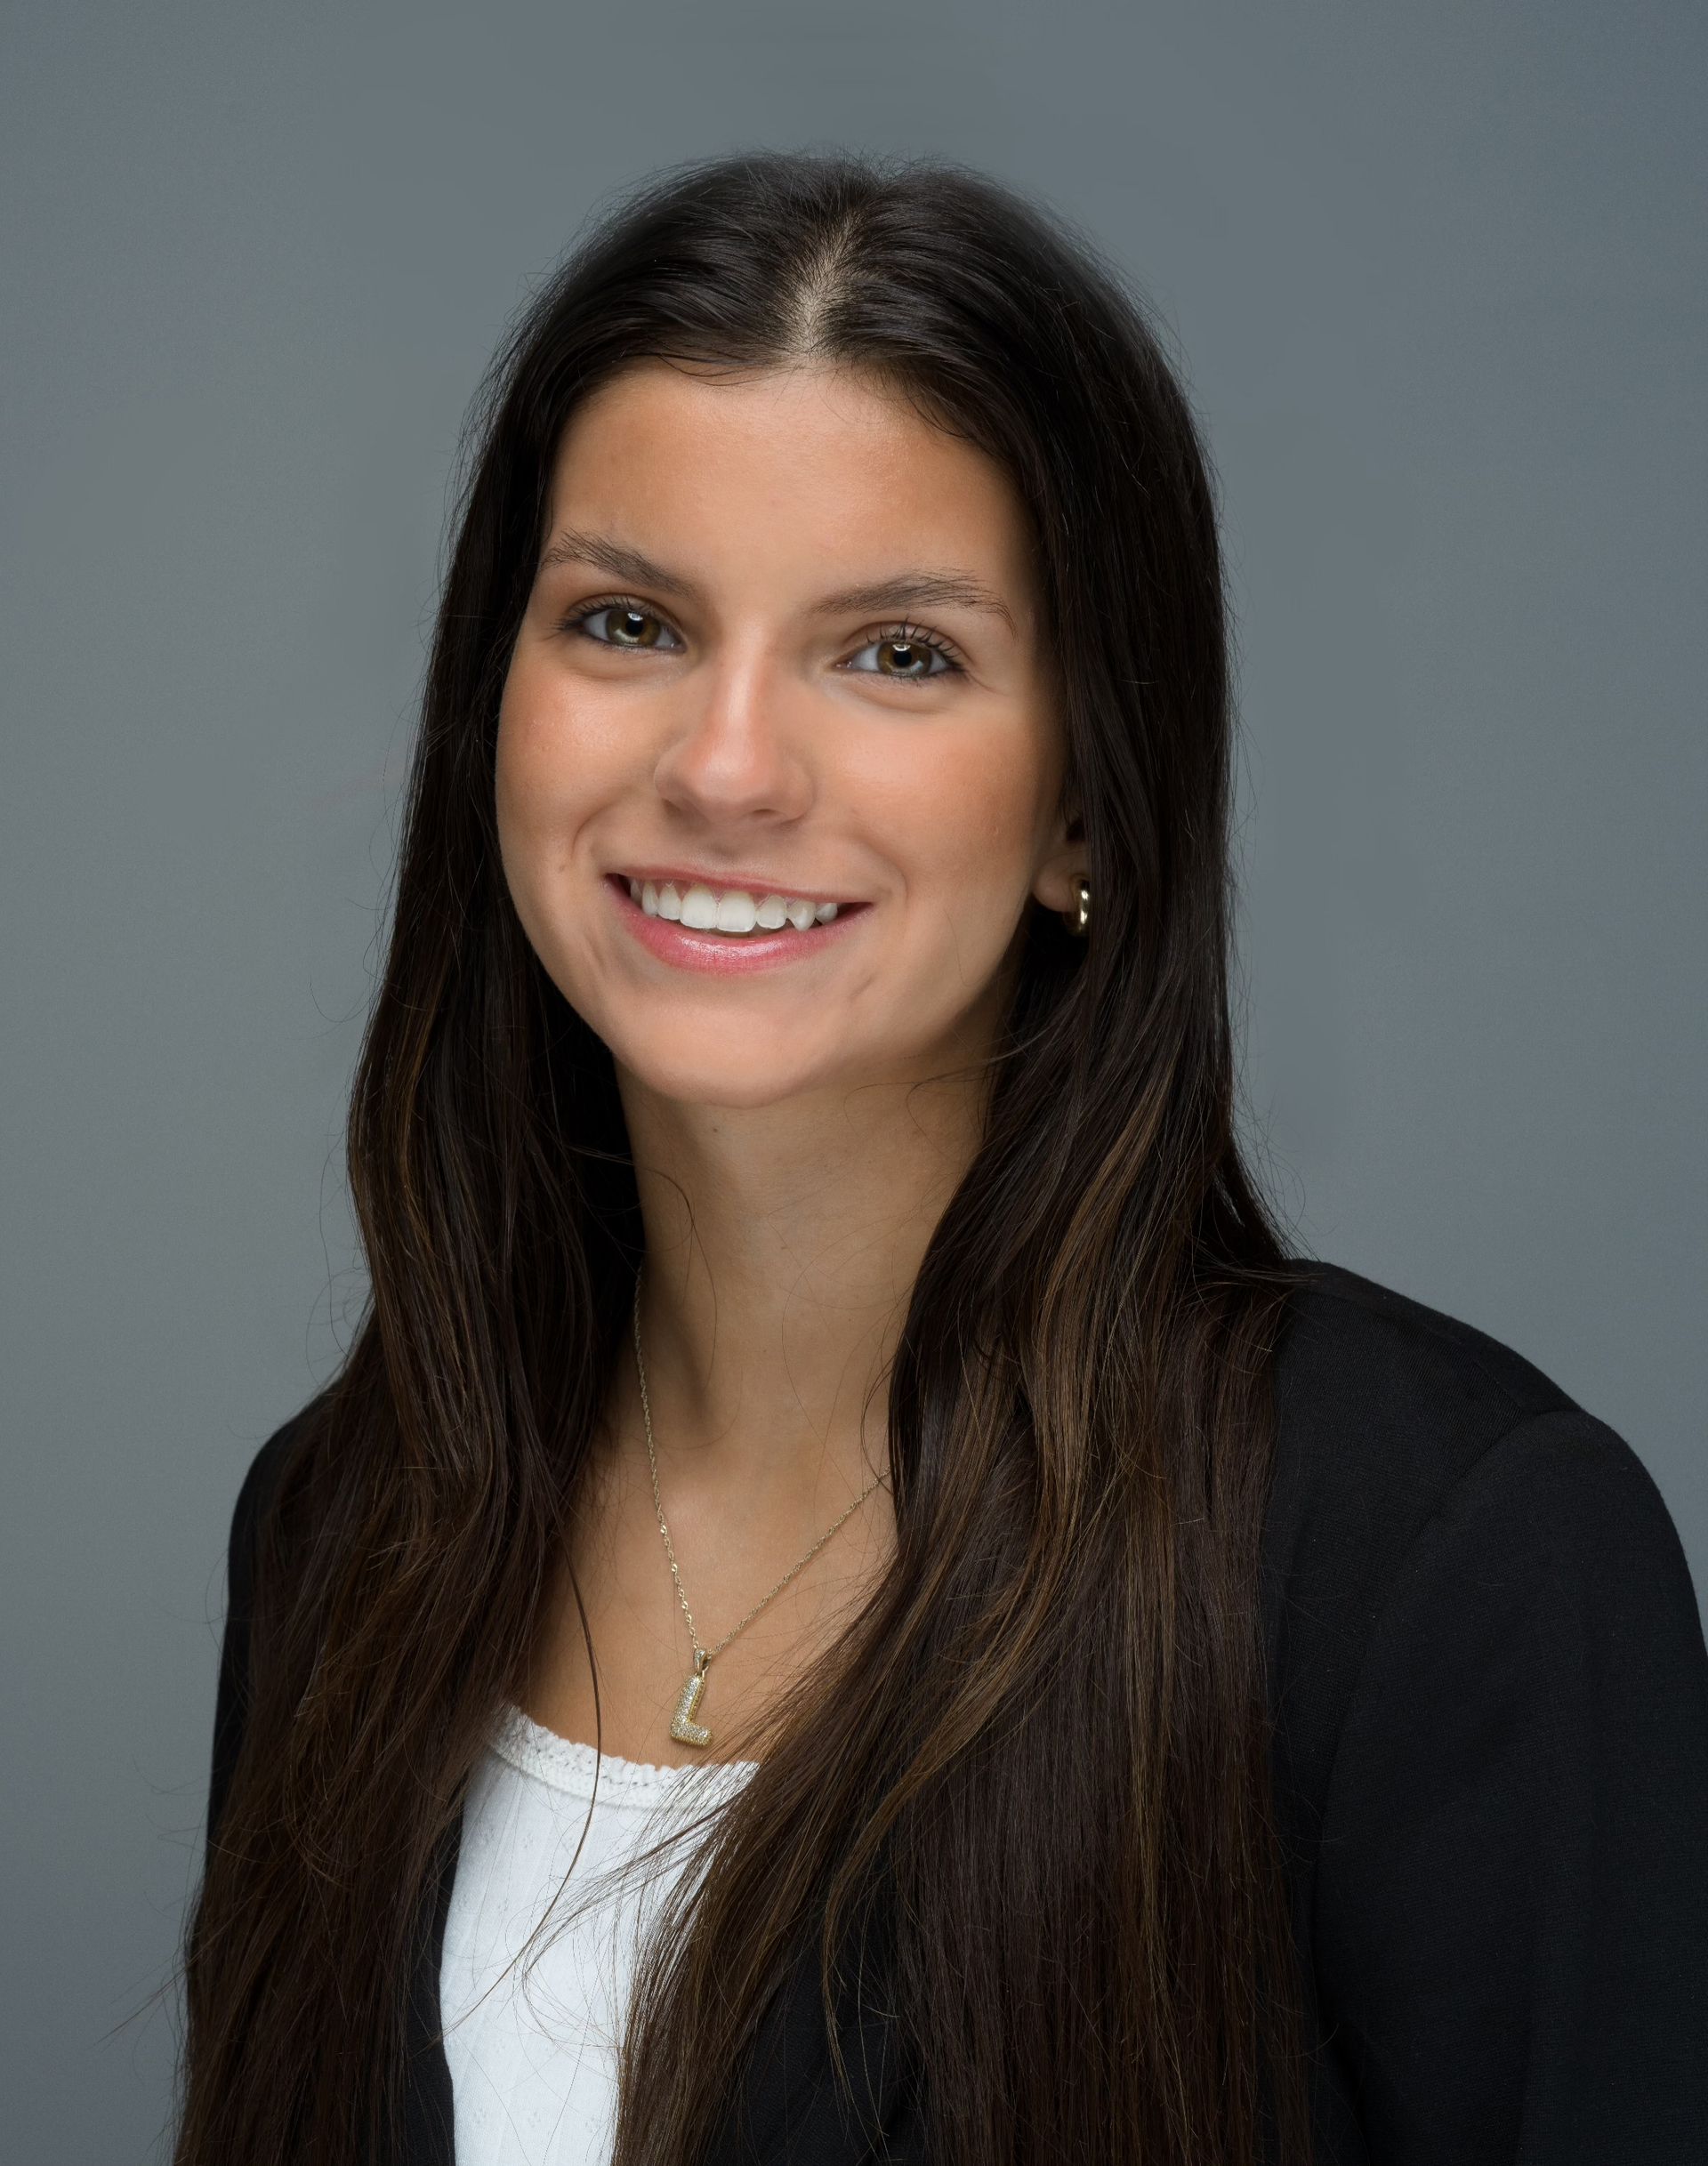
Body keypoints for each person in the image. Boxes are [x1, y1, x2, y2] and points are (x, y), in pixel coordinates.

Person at [174, 150, 1708, 2166]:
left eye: (898, 652)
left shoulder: (1441, 1562)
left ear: (1087, 805)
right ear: (494, 717)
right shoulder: (344, 1528)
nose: (725, 767)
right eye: (627, 621)